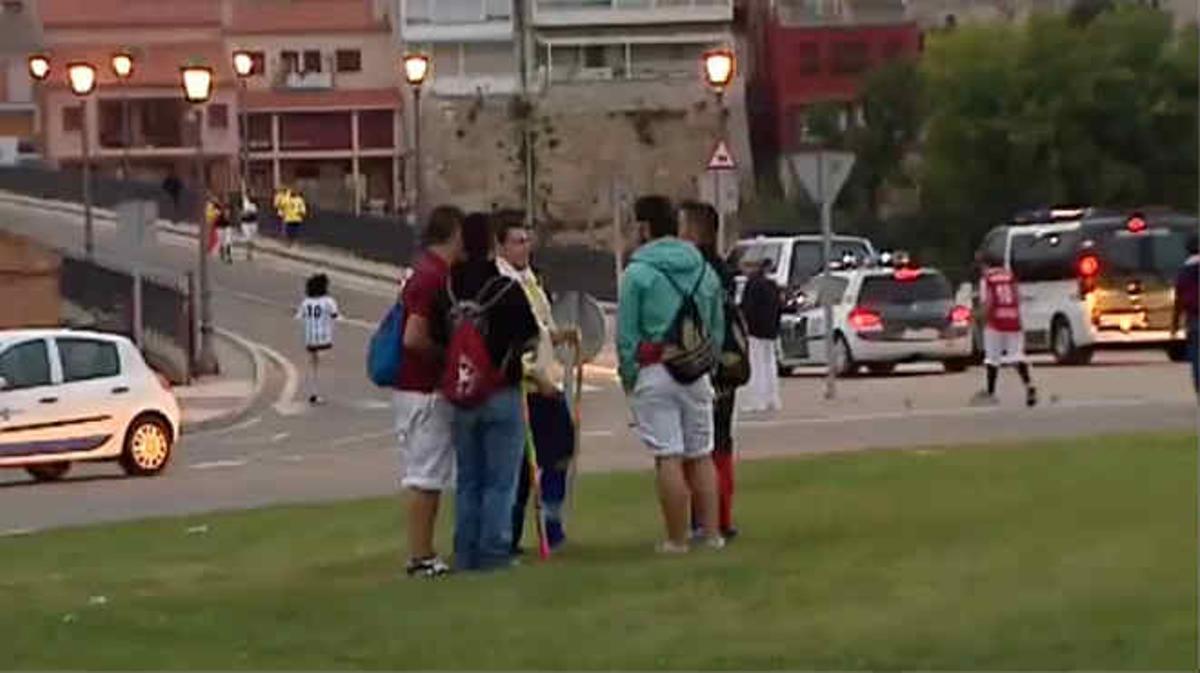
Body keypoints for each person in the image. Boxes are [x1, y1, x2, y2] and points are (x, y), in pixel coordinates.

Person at [432, 212, 541, 572]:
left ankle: (465, 551)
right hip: (501, 389)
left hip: (461, 392)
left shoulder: (447, 289)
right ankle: (494, 550)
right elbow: (529, 335)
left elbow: (434, 336)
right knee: (501, 479)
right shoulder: (505, 289)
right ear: (494, 245)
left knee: (468, 477)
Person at [617, 195, 725, 554]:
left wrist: (629, 374)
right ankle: (711, 534)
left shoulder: (637, 273)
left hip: (655, 367)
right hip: (695, 370)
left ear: (644, 228)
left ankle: (677, 538)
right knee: (701, 454)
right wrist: (707, 360)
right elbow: (715, 322)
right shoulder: (700, 268)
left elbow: (627, 334)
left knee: (668, 455)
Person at [493, 211, 577, 554]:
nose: (524, 247)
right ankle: (509, 536)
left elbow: (539, 328)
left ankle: (552, 522)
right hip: (526, 385)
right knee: (521, 467)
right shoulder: (503, 284)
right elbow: (511, 339)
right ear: (501, 246)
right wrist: (531, 375)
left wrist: (560, 336)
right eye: (517, 241)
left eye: (527, 240)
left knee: (560, 451)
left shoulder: (530, 279)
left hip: (547, 379)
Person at [394, 205, 464, 578]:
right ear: (454, 234)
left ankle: (424, 551)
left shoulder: (426, 272)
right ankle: (420, 555)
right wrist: (448, 356)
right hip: (424, 388)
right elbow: (414, 337)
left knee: (429, 474)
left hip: (418, 387)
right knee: (425, 474)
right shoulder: (432, 277)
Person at [680, 201, 741, 540]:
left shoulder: (701, 271)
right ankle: (718, 516)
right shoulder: (721, 269)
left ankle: (708, 518)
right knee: (720, 443)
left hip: (706, 366)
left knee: (704, 446)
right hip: (723, 366)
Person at [974, 257, 1037, 407]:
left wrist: (978, 316)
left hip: (995, 321)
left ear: (985, 265)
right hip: (1013, 320)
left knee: (992, 358)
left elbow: (988, 302)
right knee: (1017, 355)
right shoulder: (1010, 276)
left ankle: (991, 392)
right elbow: (1017, 297)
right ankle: (1029, 385)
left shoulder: (987, 279)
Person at [739, 259, 783, 414]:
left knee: (756, 366)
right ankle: (772, 399)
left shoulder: (752, 285)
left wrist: (744, 326)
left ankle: (757, 401)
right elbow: (779, 308)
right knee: (769, 364)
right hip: (770, 330)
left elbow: (747, 308)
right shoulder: (772, 285)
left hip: (755, 331)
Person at [296, 273, 339, 405]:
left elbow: (299, 317)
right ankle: (319, 392)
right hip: (325, 338)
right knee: (323, 366)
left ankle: (314, 391)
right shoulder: (329, 301)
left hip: (310, 339)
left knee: (314, 366)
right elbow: (335, 316)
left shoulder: (306, 302)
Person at [1171, 234, 1200, 396]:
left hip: (1194, 318)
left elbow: (1179, 299)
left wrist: (1175, 323)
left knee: (1196, 357)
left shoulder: (1184, 271)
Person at [239, 194, 259, 261]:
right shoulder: (242, 201)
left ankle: (250, 251)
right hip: (245, 223)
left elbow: (257, 211)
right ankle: (249, 253)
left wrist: (252, 211)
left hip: (253, 222)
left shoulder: (255, 201)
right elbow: (240, 211)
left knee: (252, 239)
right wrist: (244, 213)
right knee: (248, 238)